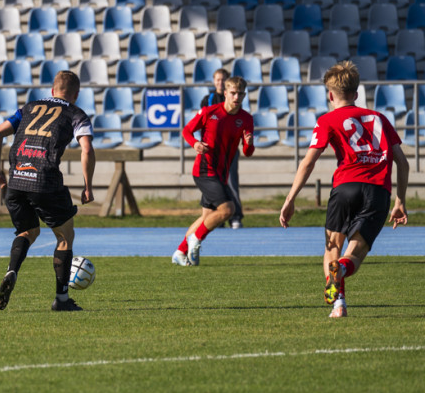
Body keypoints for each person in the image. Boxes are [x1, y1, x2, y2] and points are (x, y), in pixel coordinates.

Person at [280, 62, 408, 318]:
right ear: (357, 93)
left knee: (332, 248)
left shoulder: (328, 119)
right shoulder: (380, 119)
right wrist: (400, 201)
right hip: (377, 191)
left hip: (345, 187)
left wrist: (290, 198)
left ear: (330, 95)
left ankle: (339, 305)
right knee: (356, 252)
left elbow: (309, 161)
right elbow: (402, 162)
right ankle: (343, 271)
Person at [0, 70, 95, 312]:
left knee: (27, 230)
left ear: (52, 90)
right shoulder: (76, 114)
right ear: (76, 95)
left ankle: (12, 271)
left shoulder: (29, 108)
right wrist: (88, 185)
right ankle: (62, 300)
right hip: (45, 180)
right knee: (65, 236)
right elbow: (86, 149)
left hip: (16, 179)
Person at [172, 76, 254, 267]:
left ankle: (180, 251)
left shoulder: (246, 119)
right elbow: (187, 131)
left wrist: (249, 144)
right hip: (204, 169)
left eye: (240, 94)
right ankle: (196, 239)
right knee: (228, 209)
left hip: (221, 173)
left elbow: (248, 153)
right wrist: (195, 144)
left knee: (206, 217)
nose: (237, 97)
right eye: (233, 93)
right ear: (225, 93)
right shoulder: (210, 112)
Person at [205, 68, 244, 229]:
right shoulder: (209, 99)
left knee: (231, 182)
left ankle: (235, 217)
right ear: (214, 81)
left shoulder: (235, 99)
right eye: (218, 80)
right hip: (213, 150)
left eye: (223, 80)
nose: (220, 83)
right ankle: (216, 217)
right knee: (213, 183)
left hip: (229, 150)